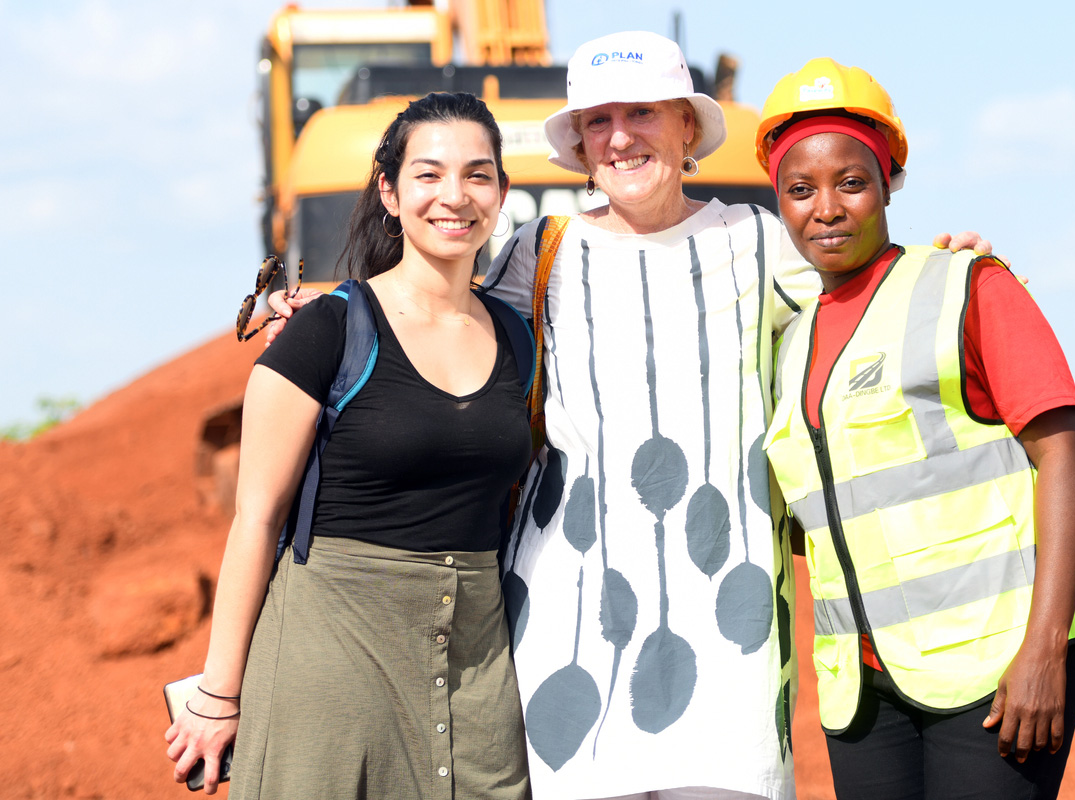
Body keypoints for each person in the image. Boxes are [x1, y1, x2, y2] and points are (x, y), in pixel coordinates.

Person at [266, 32, 989, 800]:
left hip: (727, 634)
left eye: (642, 111)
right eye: (598, 120)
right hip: (565, 627)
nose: (620, 136)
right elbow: (433, 327)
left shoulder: (758, 245)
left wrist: (939, 270)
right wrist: (324, 315)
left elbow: (864, 313)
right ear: (578, 145)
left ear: (686, 127)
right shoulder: (537, 253)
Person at [164, 91, 531, 798]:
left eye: (477, 175)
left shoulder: (517, 336)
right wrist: (218, 693)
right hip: (331, 662)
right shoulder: (327, 331)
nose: (454, 196)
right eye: (428, 175)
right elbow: (256, 519)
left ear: (501, 193)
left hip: (478, 668)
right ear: (389, 192)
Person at [756, 59, 1075, 799]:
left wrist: (1044, 651)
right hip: (863, 683)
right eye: (800, 189)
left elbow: (1065, 453)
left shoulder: (968, 286)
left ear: (890, 182)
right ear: (778, 201)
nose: (826, 208)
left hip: (993, 661)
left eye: (851, 181)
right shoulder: (788, 342)